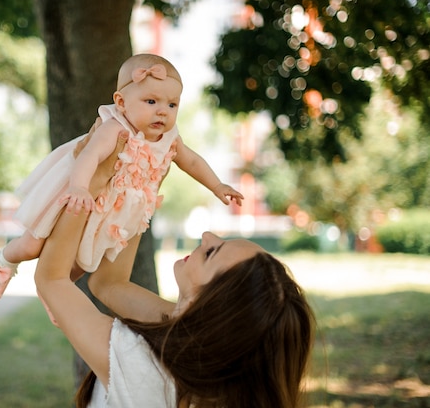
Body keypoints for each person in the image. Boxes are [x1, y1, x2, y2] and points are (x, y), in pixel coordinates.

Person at [33, 134, 315, 407]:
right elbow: (108, 285)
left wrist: (90, 182)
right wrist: (143, 181)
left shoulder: (142, 366)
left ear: (212, 307)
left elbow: (52, 279)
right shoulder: (199, 353)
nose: (207, 236)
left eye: (212, 252)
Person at [0, 53, 243, 303]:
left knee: (85, 259)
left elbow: (192, 161)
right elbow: (88, 156)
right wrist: (79, 187)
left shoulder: (170, 139)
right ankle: (3, 262)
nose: (162, 111)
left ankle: (57, 296)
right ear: (121, 102)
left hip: (110, 211)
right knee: (34, 244)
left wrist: (217, 185)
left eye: (171, 104)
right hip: (78, 193)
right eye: (151, 101)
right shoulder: (114, 128)